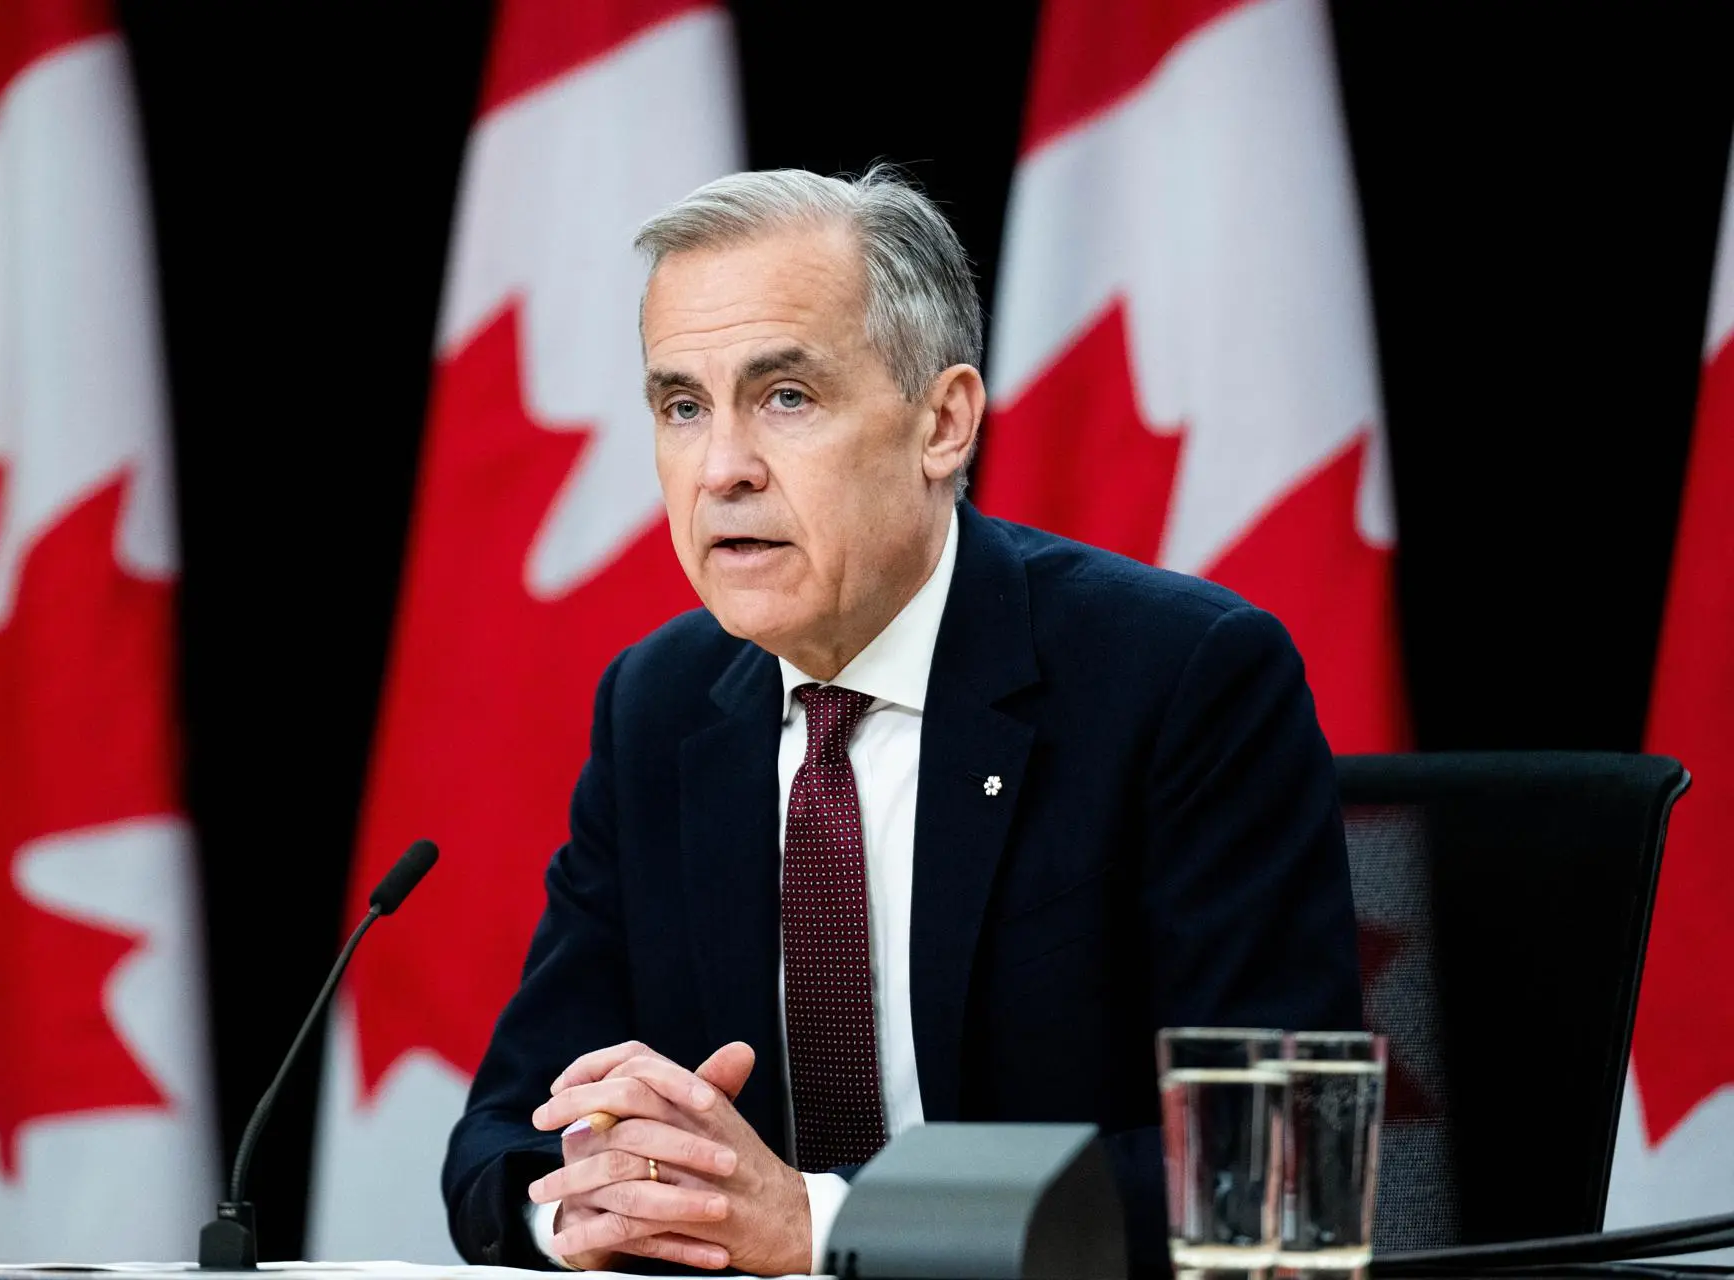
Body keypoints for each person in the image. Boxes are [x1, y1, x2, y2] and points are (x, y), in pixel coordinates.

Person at [442, 166, 1362, 1275]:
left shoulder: (1180, 679)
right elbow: (505, 1132)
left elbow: (1272, 1168)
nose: (722, 469)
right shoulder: (660, 705)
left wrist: (821, 1227)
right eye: (682, 407)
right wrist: (590, 1205)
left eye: (786, 396)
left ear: (943, 423)